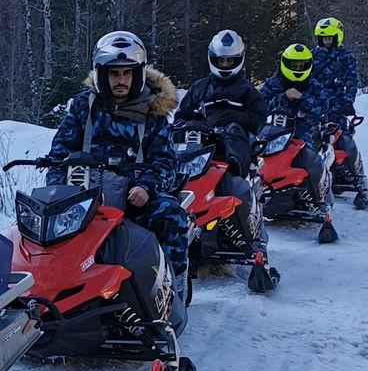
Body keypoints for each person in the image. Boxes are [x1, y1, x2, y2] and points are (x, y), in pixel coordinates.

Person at [46, 31, 188, 279]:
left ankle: (172, 286)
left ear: (138, 73)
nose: (120, 80)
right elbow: (59, 155)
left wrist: (146, 186)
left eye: (127, 73)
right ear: (101, 73)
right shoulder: (84, 107)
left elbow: (166, 162)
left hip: (135, 197)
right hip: (86, 196)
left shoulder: (153, 111)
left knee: (170, 214)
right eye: (114, 73)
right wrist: (58, 192)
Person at [175, 29, 267, 242]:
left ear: (239, 60)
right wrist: (194, 124)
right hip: (199, 150)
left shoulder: (247, 90)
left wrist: (234, 120)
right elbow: (181, 116)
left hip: (234, 149)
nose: (225, 66)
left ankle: (253, 237)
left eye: (229, 61)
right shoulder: (200, 88)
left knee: (236, 184)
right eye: (220, 61)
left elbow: (260, 118)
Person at [259, 44, 338, 244]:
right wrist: (283, 98)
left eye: (302, 64)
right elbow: (258, 106)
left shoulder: (314, 85)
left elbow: (323, 108)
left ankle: (321, 199)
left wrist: (303, 99)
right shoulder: (273, 83)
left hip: (304, 129)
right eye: (294, 64)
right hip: (273, 129)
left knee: (309, 157)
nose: (298, 68)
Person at [312, 16, 368, 209]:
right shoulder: (312, 56)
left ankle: (361, 184)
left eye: (329, 38)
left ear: (337, 37)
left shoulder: (346, 57)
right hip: (314, 107)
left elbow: (351, 82)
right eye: (322, 38)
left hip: (337, 108)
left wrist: (347, 102)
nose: (325, 42)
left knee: (345, 142)